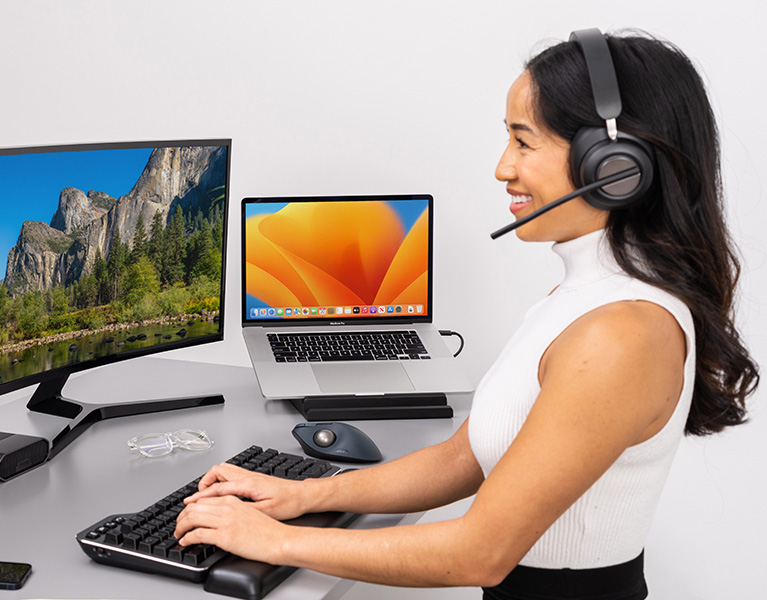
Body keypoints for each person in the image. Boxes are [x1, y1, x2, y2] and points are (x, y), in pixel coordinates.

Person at [173, 29, 759, 599]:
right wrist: (304, 496)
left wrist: (275, 542)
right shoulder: (585, 299)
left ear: (613, 166)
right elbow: (465, 455)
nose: (503, 168)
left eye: (524, 142)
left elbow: (478, 553)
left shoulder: (623, 331)